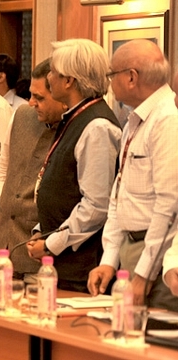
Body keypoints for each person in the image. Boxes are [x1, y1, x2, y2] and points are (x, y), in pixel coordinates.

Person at [85, 40, 178, 310]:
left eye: (111, 75)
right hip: (131, 249)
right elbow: (120, 194)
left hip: (158, 258)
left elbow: (169, 206)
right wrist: (109, 260)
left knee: (149, 347)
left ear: (131, 77)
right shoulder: (134, 122)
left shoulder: (167, 121)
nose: (110, 83)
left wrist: (144, 274)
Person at [26, 38, 121, 293]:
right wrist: (42, 232)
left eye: (53, 72)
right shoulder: (75, 117)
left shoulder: (96, 126)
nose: (49, 78)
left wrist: (52, 242)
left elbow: (96, 205)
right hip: (63, 258)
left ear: (69, 81)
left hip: (83, 264)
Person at [0, 58, 65, 282]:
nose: (31, 102)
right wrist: (4, 200)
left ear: (62, 97)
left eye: (39, 97)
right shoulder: (22, 115)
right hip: (4, 245)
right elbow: (4, 164)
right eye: (31, 95)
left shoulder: (76, 126)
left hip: (41, 254)